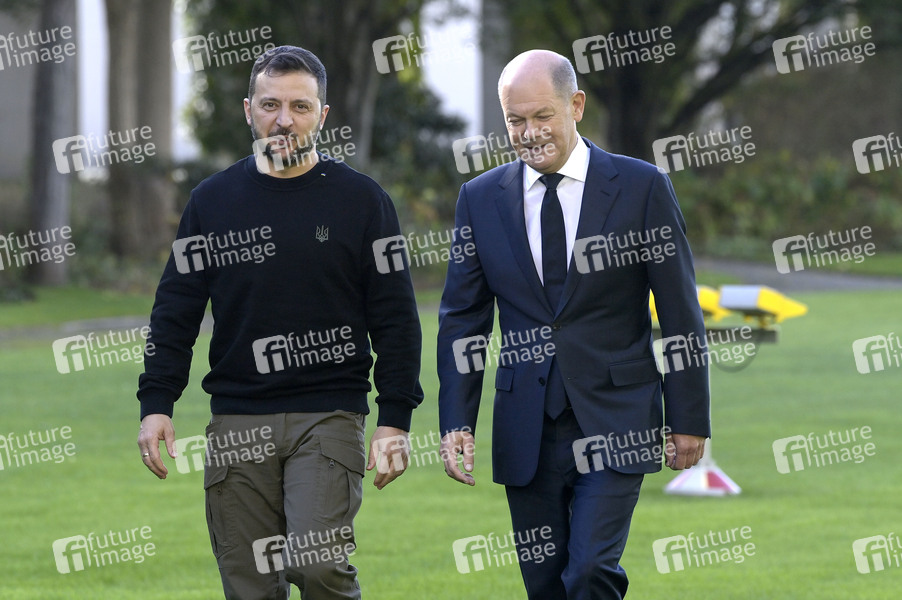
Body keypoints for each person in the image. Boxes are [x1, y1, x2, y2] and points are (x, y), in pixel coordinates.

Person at [136, 45, 423, 600]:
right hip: (237, 417)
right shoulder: (211, 202)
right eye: (270, 105)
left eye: (300, 106)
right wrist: (156, 403)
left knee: (318, 565)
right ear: (249, 110)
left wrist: (395, 419)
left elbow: (395, 317)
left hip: (329, 414)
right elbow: (175, 310)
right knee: (249, 585)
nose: (284, 119)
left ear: (322, 115)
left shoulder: (363, 201)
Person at [437, 49, 710, 599]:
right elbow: (463, 319)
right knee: (544, 585)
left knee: (589, 571)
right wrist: (456, 420)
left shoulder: (641, 187)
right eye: (516, 120)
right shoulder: (480, 199)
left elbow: (680, 310)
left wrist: (689, 418)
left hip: (617, 417)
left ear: (576, 106)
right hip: (525, 427)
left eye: (543, 116)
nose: (529, 133)